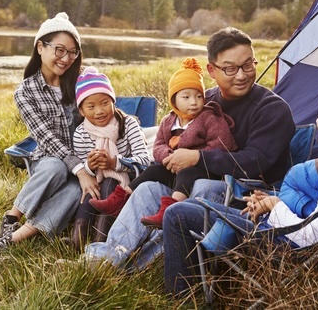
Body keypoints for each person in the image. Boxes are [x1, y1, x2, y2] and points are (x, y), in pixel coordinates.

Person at [83, 26, 295, 271]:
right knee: (149, 188)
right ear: (212, 70)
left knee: (201, 188)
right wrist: (171, 156)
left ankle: (137, 268)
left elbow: (255, 162)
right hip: (189, 180)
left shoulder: (271, 109)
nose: (241, 75)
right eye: (230, 68)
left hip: (246, 193)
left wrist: (197, 157)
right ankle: (107, 258)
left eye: (248, 65)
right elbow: (174, 136)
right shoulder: (202, 99)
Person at [163, 80, 318, 297]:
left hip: (281, 243)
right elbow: (315, 207)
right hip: (279, 229)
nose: (317, 121)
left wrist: (275, 205)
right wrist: (269, 199)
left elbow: (312, 235)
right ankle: (205, 289)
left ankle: (180, 297)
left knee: (177, 214)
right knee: (192, 206)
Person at [0, 12, 97, 268]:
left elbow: (103, 110)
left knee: (78, 191)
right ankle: (12, 217)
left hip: (85, 161)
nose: (66, 58)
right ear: (40, 47)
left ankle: (11, 240)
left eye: (72, 52)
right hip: (48, 161)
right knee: (56, 166)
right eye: (59, 50)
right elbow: (46, 138)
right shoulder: (25, 92)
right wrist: (78, 169)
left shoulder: (82, 80)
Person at [88, 57, 236, 229]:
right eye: (186, 97)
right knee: (152, 170)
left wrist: (195, 156)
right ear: (174, 100)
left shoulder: (209, 118)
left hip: (202, 169)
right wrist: (169, 156)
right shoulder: (169, 121)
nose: (194, 102)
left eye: (199, 96)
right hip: (174, 167)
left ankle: (169, 209)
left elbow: (222, 144)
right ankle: (120, 198)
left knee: (186, 173)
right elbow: (158, 145)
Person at [67, 66, 151, 250]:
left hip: (128, 182)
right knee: (91, 190)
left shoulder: (128, 124)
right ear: (81, 111)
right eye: (91, 106)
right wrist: (90, 166)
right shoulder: (81, 133)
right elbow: (84, 169)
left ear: (113, 101)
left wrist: (114, 163)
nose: (99, 111)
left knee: (109, 183)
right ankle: (78, 238)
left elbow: (145, 162)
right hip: (97, 181)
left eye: (104, 103)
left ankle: (101, 239)